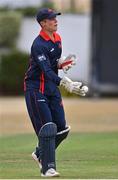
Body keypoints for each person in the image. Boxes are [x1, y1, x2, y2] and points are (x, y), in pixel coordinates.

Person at [24, 8, 88, 177]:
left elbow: (52, 64)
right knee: (48, 127)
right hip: (36, 89)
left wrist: (62, 64)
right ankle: (48, 168)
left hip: (51, 89)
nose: (55, 21)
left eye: (55, 18)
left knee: (62, 128)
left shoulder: (57, 39)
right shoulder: (38, 44)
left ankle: (39, 153)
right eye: (51, 19)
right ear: (43, 23)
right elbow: (45, 70)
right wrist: (65, 83)